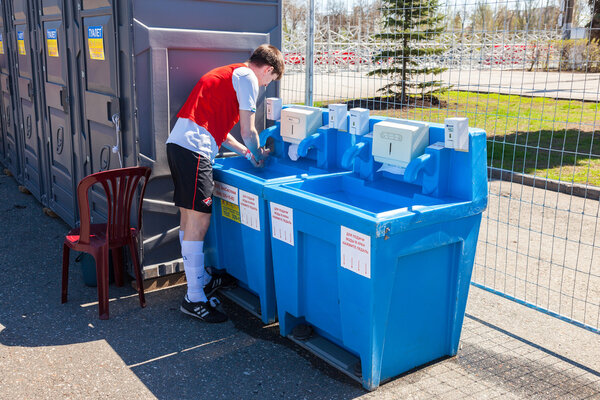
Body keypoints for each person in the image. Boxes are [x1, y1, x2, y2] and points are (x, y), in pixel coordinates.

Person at [165, 44, 285, 323]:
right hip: (194, 150)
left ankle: (200, 278)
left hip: (180, 145)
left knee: (188, 217)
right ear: (268, 69)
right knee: (200, 221)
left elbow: (220, 131)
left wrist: (245, 151)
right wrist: (258, 154)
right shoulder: (248, 78)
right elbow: (248, 129)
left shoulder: (230, 74)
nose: (267, 84)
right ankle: (194, 297)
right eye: (271, 79)